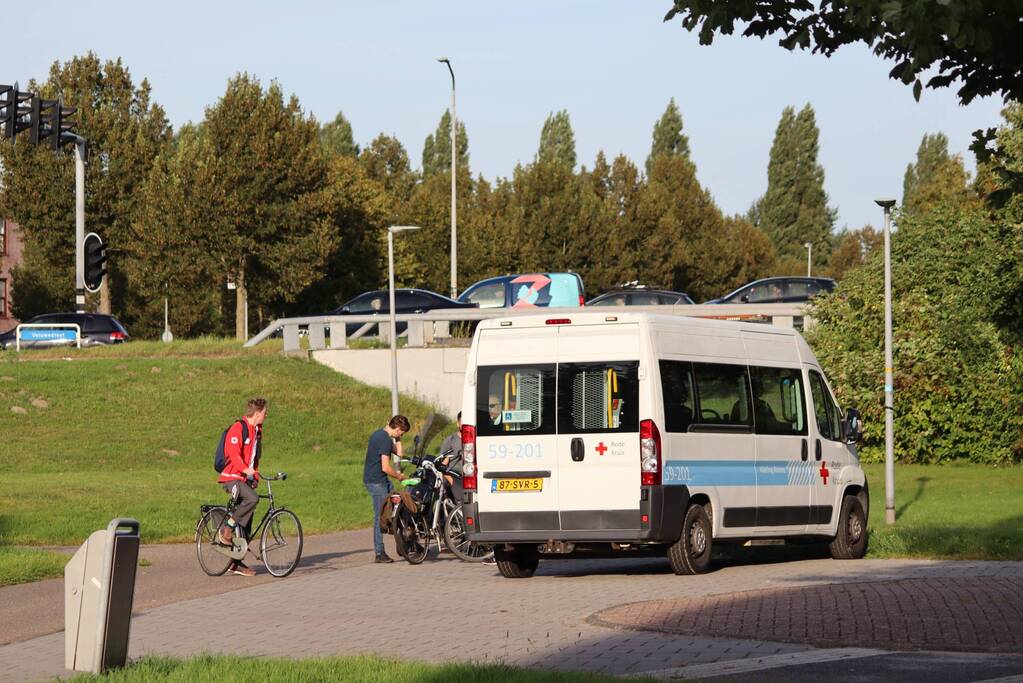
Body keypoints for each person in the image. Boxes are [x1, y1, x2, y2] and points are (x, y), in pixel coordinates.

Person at [217, 397, 267, 577]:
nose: (265, 416)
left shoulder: (257, 431)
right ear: (258, 412)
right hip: (231, 477)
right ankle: (227, 529)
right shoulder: (239, 428)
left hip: (244, 478)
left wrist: (254, 475)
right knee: (252, 499)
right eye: (264, 413)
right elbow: (233, 454)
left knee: (246, 524)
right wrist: (246, 470)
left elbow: (255, 457)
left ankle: (235, 563)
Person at [364, 414, 411, 563]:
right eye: (401, 433)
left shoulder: (381, 435)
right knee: (381, 517)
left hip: (382, 481)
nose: (401, 436)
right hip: (377, 483)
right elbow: (385, 467)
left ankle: (407, 545)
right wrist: (398, 476)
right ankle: (379, 553)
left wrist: (397, 439)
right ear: (397, 429)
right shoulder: (383, 439)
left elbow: (400, 453)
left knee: (399, 509)